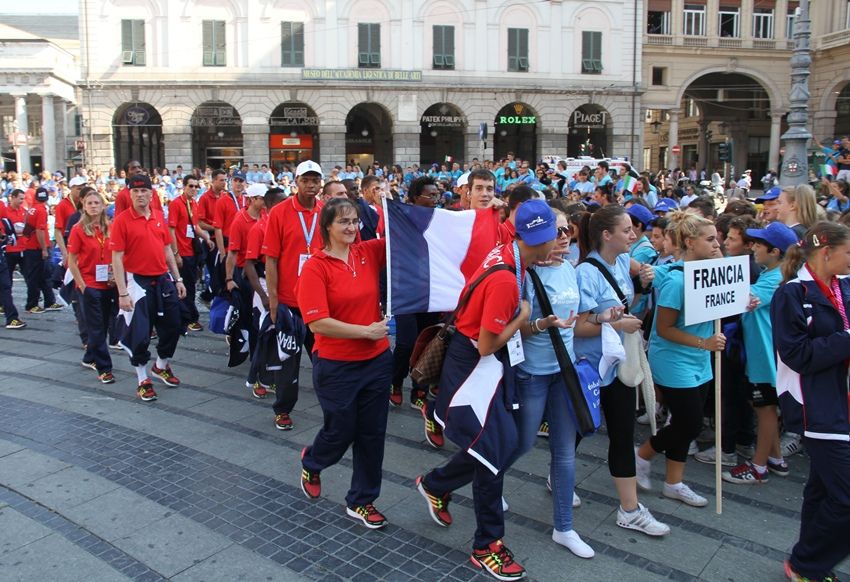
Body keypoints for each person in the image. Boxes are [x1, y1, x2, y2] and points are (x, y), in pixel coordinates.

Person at [415, 200, 558, 582]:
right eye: (557, 234)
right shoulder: (506, 278)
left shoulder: (508, 254)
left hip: (484, 366)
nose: (561, 241)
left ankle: (436, 484)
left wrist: (534, 321)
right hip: (475, 365)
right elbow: (486, 343)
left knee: (497, 446)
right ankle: (486, 546)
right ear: (540, 240)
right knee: (494, 450)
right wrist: (526, 316)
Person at [296, 197, 393, 530]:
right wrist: (365, 331)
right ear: (327, 227)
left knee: (372, 434)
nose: (352, 228)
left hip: (377, 361)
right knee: (340, 432)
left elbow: (405, 236)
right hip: (336, 365)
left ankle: (362, 500)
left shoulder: (369, 252)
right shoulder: (316, 266)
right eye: (344, 222)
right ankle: (313, 460)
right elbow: (317, 323)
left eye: (355, 221)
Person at [574, 205, 669, 536]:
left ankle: (629, 510)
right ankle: (559, 474)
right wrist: (616, 323)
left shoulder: (623, 263)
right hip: (591, 367)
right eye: (627, 230)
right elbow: (578, 327)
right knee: (579, 427)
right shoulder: (585, 272)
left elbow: (630, 297)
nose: (634, 235)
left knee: (622, 433)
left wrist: (643, 283)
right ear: (606, 235)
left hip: (619, 367)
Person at [506, 208, 595, 558]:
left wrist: (606, 317)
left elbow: (581, 321)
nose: (562, 237)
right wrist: (543, 325)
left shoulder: (572, 270)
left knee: (564, 452)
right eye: (555, 231)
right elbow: (516, 329)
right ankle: (489, 481)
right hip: (532, 374)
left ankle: (564, 528)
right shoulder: (525, 275)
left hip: (565, 372)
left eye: (566, 231)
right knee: (523, 442)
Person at [771, 221, 850, 582]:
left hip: (841, 401)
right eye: (848, 252)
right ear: (827, 252)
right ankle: (807, 562)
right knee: (844, 495)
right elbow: (796, 354)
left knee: (823, 487)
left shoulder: (843, 285)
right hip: (813, 406)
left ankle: (808, 566)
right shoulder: (791, 293)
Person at [636, 212, 726, 508]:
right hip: (675, 359)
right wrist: (704, 342)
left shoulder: (712, 274)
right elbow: (664, 329)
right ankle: (642, 455)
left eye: (718, 239)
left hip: (700, 358)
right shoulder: (677, 282)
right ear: (690, 242)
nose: (717, 244)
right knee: (688, 424)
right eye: (710, 239)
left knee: (688, 422)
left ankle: (673, 483)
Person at [722, 222, 797, 485]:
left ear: (775, 251)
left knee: (766, 411)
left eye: (759, 244)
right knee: (762, 407)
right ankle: (776, 458)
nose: (753, 248)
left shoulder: (774, 279)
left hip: (766, 359)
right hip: (761, 357)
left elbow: (736, 297)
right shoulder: (771, 274)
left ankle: (759, 467)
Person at [110, 174, 187, 401]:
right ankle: (142, 379)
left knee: (173, 325)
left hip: (162, 279)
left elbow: (166, 249)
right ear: (129, 194)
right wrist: (123, 292)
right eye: (135, 191)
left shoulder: (157, 215)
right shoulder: (122, 220)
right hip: (138, 282)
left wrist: (178, 279)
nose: (140, 195)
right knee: (140, 333)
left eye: (144, 191)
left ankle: (161, 365)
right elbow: (116, 258)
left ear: (151, 193)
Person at [262, 160, 324, 430]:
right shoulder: (279, 212)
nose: (311, 185)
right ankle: (283, 409)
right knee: (288, 361)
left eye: (315, 180)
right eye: (305, 180)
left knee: (325, 359)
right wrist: (273, 300)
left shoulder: (327, 211)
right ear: (296, 182)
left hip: (320, 303)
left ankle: (333, 406)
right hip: (289, 303)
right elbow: (271, 260)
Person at [389, 176, 440, 409]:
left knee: (427, 342)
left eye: (437, 195)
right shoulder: (401, 218)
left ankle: (419, 388)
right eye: (429, 195)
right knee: (406, 343)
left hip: (433, 291)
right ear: (413, 198)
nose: (434, 200)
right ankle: (395, 381)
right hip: (406, 290)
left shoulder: (442, 220)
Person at [68, 188, 118, 384]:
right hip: (89, 284)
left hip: (109, 283)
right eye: (89, 203)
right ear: (84, 206)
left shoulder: (111, 227)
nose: (93, 206)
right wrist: (82, 285)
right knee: (96, 328)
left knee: (104, 325)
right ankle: (104, 368)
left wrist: (115, 275)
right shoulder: (78, 230)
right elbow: (72, 261)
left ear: (103, 205)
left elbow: (117, 254)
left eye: (96, 203)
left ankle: (90, 356)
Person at [168, 175, 212, 332]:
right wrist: (175, 253)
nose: (193, 189)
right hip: (182, 252)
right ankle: (188, 319)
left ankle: (186, 318)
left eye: (196, 186)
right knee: (185, 287)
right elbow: (171, 230)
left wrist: (207, 238)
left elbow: (195, 227)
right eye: (191, 186)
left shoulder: (194, 203)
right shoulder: (176, 204)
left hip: (192, 251)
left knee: (191, 286)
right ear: (184, 186)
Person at [0, 209, 25, 329]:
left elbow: (12, 240)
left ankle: (11, 318)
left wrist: (4, 239)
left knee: (5, 287)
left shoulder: (5, 221)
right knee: (5, 287)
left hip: (2, 259)